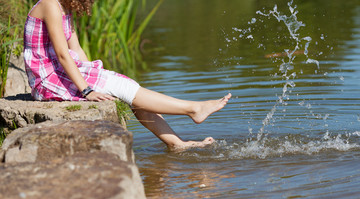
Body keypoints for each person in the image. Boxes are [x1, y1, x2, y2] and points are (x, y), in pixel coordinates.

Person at [24, 0, 231, 150]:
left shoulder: (63, 7)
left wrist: (96, 75)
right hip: (47, 79)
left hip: (58, 70)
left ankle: (177, 144)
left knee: (123, 85)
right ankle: (193, 109)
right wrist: (87, 90)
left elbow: (75, 48)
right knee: (122, 88)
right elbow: (62, 54)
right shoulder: (50, 4)